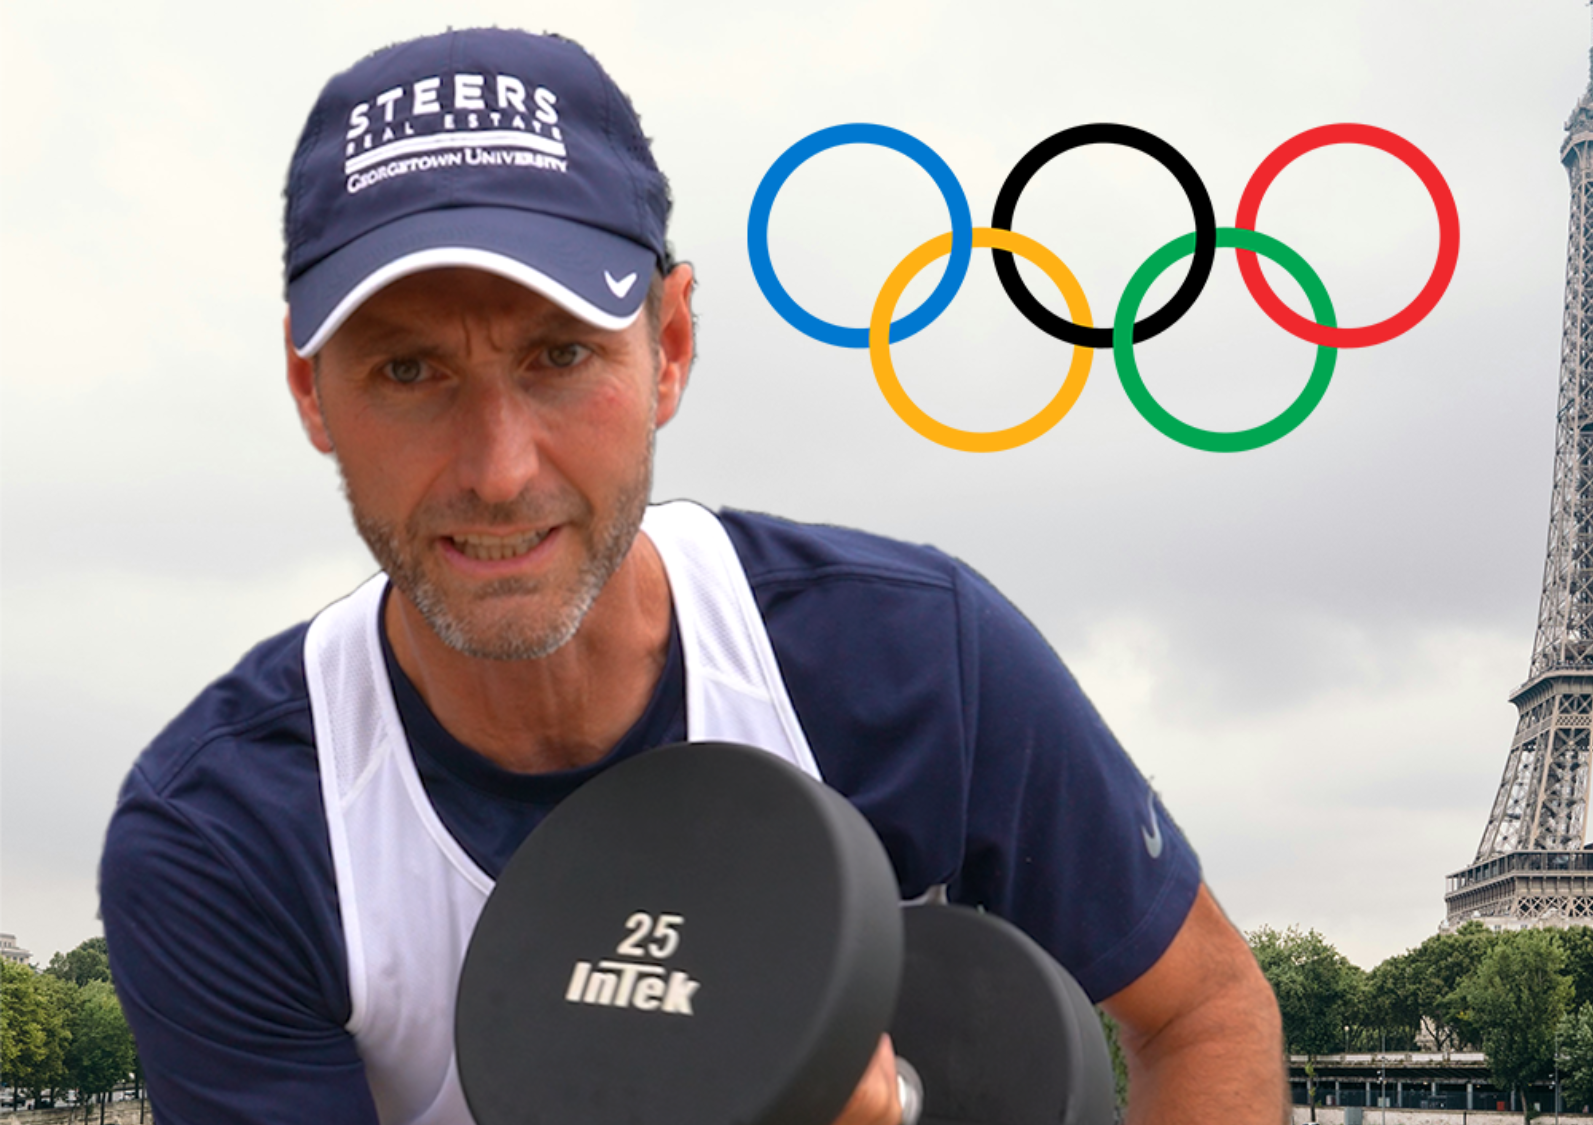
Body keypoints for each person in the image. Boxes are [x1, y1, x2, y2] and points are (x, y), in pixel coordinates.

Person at [98, 27, 1284, 1125]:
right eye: (409, 372)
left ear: (668, 348)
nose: (500, 472)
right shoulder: (222, 835)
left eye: (560, 356)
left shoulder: (915, 662)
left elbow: (1204, 1013)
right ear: (312, 393)